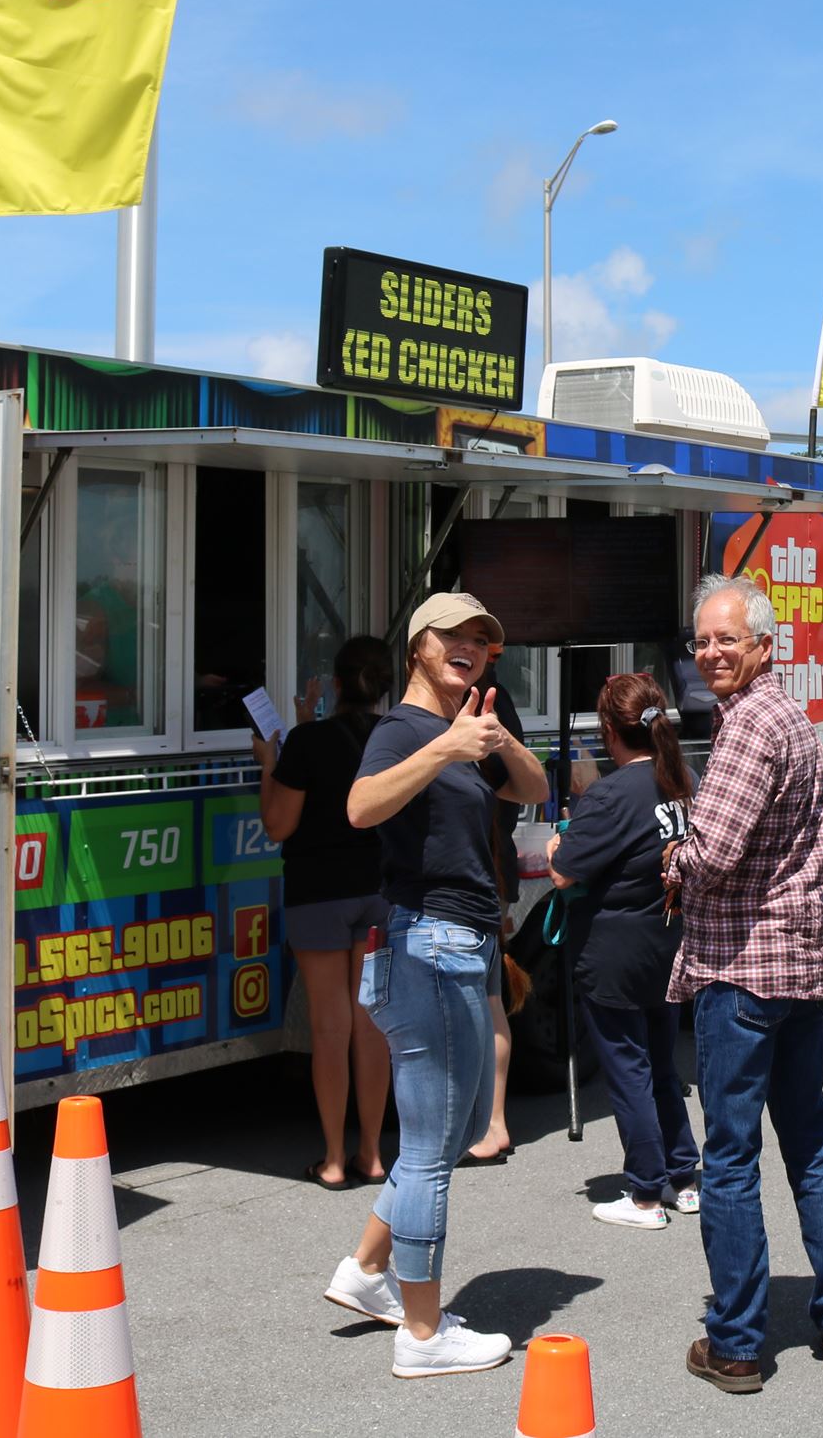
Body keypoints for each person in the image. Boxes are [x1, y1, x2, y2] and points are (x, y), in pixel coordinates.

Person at [322, 591, 549, 1379]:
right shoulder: (401, 729)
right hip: (429, 945)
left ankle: (363, 1271)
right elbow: (357, 807)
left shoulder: (465, 728)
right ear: (420, 646)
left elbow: (535, 788)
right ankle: (422, 1333)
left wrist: (491, 737)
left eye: (483, 640)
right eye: (455, 636)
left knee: (441, 1139)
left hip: (446, 946)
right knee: (429, 1149)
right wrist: (447, 748)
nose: (472, 648)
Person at [663, 574, 823, 1393]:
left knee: (732, 1156)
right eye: (701, 640)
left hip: (741, 971)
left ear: (764, 645)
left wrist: (672, 858)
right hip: (799, 967)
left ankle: (739, 1341)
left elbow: (710, 853)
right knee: (810, 1143)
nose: (712, 652)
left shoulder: (750, 724)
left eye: (727, 639)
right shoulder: (791, 717)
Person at [551, 672, 701, 1230]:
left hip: (615, 950)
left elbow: (563, 873)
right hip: (668, 939)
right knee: (663, 1065)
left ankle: (643, 1194)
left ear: (610, 730)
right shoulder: (681, 778)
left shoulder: (610, 793)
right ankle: (684, 1179)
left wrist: (555, 845)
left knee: (629, 1069)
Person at [252, 635, 395, 1191]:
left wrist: (271, 762)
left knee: (330, 1027)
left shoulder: (307, 744)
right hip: (378, 890)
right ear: (383, 687)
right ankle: (373, 1154)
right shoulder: (395, 738)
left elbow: (278, 825)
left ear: (336, 683)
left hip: (317, 894)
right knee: (371, 1024)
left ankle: (334, 1160)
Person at [462, 639, 541, 1168]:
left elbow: (520, 784)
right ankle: (490, 1123)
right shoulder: (487, 697)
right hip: (489, 867)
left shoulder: (490, 700)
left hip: (485, 867)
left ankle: (491, 1124)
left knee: (486, 1001)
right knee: (487, 1000)